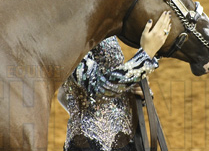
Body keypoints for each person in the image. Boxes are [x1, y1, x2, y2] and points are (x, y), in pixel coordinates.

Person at [58, 11, 172, 151]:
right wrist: (144, 57)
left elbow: (104, 88)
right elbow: (95, 89)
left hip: (126, 142)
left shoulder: (100, 21)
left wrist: (131, 88)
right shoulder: (67, 30)